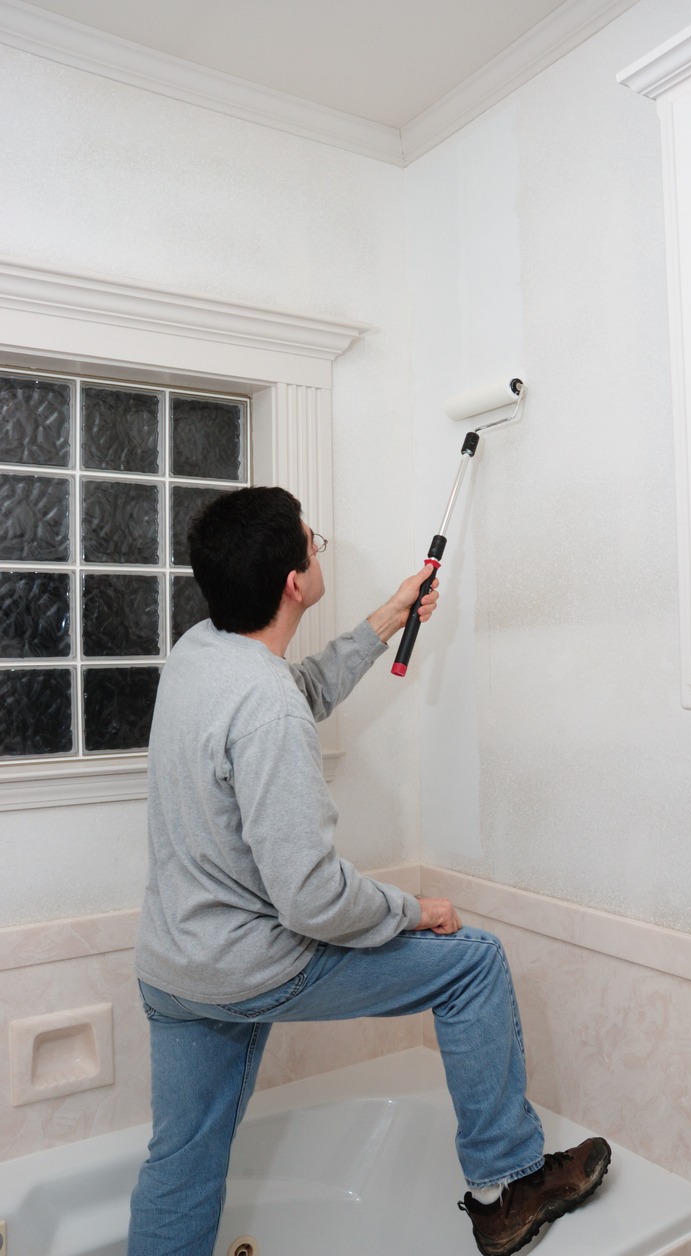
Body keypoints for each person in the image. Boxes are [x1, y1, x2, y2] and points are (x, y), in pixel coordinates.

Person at [128, 485, 611, 1256]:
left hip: (175, 968)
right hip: (253, 963)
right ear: (294, 583)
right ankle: (505, 1191)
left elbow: (298, 687)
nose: (319, 546)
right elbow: (312, 899)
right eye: (312, 541)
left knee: (181, 1165)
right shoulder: (266, 708)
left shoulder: (200, 653)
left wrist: (389, 616)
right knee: (471, 967)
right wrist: (414, 909)